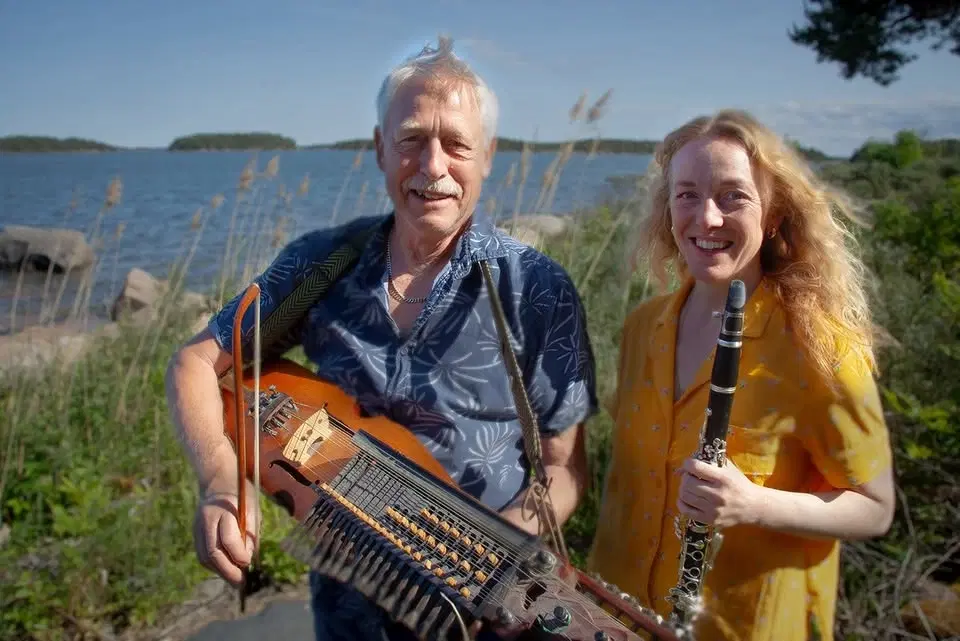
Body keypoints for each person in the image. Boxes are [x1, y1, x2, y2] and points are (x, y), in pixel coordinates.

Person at [164, 37, 598, 641]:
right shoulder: (320, 264)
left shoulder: (537, 288)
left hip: (486, 617)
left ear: (488, 156)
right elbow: (194, 361)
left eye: (457, 145)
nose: (433, 167)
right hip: (348, 614)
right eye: (412, 141)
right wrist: (218, 481)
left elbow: (565, 467)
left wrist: (491, 564)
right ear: (378, 148)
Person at [587, 109, 896, 641]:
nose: (706, 218)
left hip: (741, 628)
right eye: (686, 195)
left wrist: (754, 504)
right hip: (613, 614)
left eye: (733, 195)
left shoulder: (820, 347)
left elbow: (876, 509)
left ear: (772, 214)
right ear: (668, 210)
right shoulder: (642, 327)